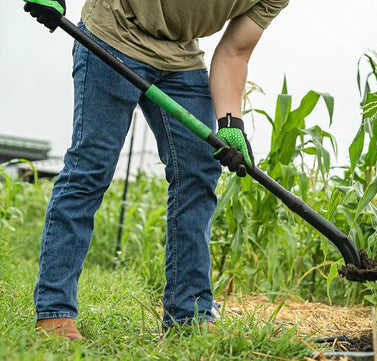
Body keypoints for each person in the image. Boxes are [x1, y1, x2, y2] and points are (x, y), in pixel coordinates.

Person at [24, 0, 288, 340]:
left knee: (198, 174)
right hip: (113, 33)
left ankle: (188, 314)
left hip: (180, 58)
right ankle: (55, 311)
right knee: (90, 169)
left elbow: (235, 52)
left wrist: (230, 121)